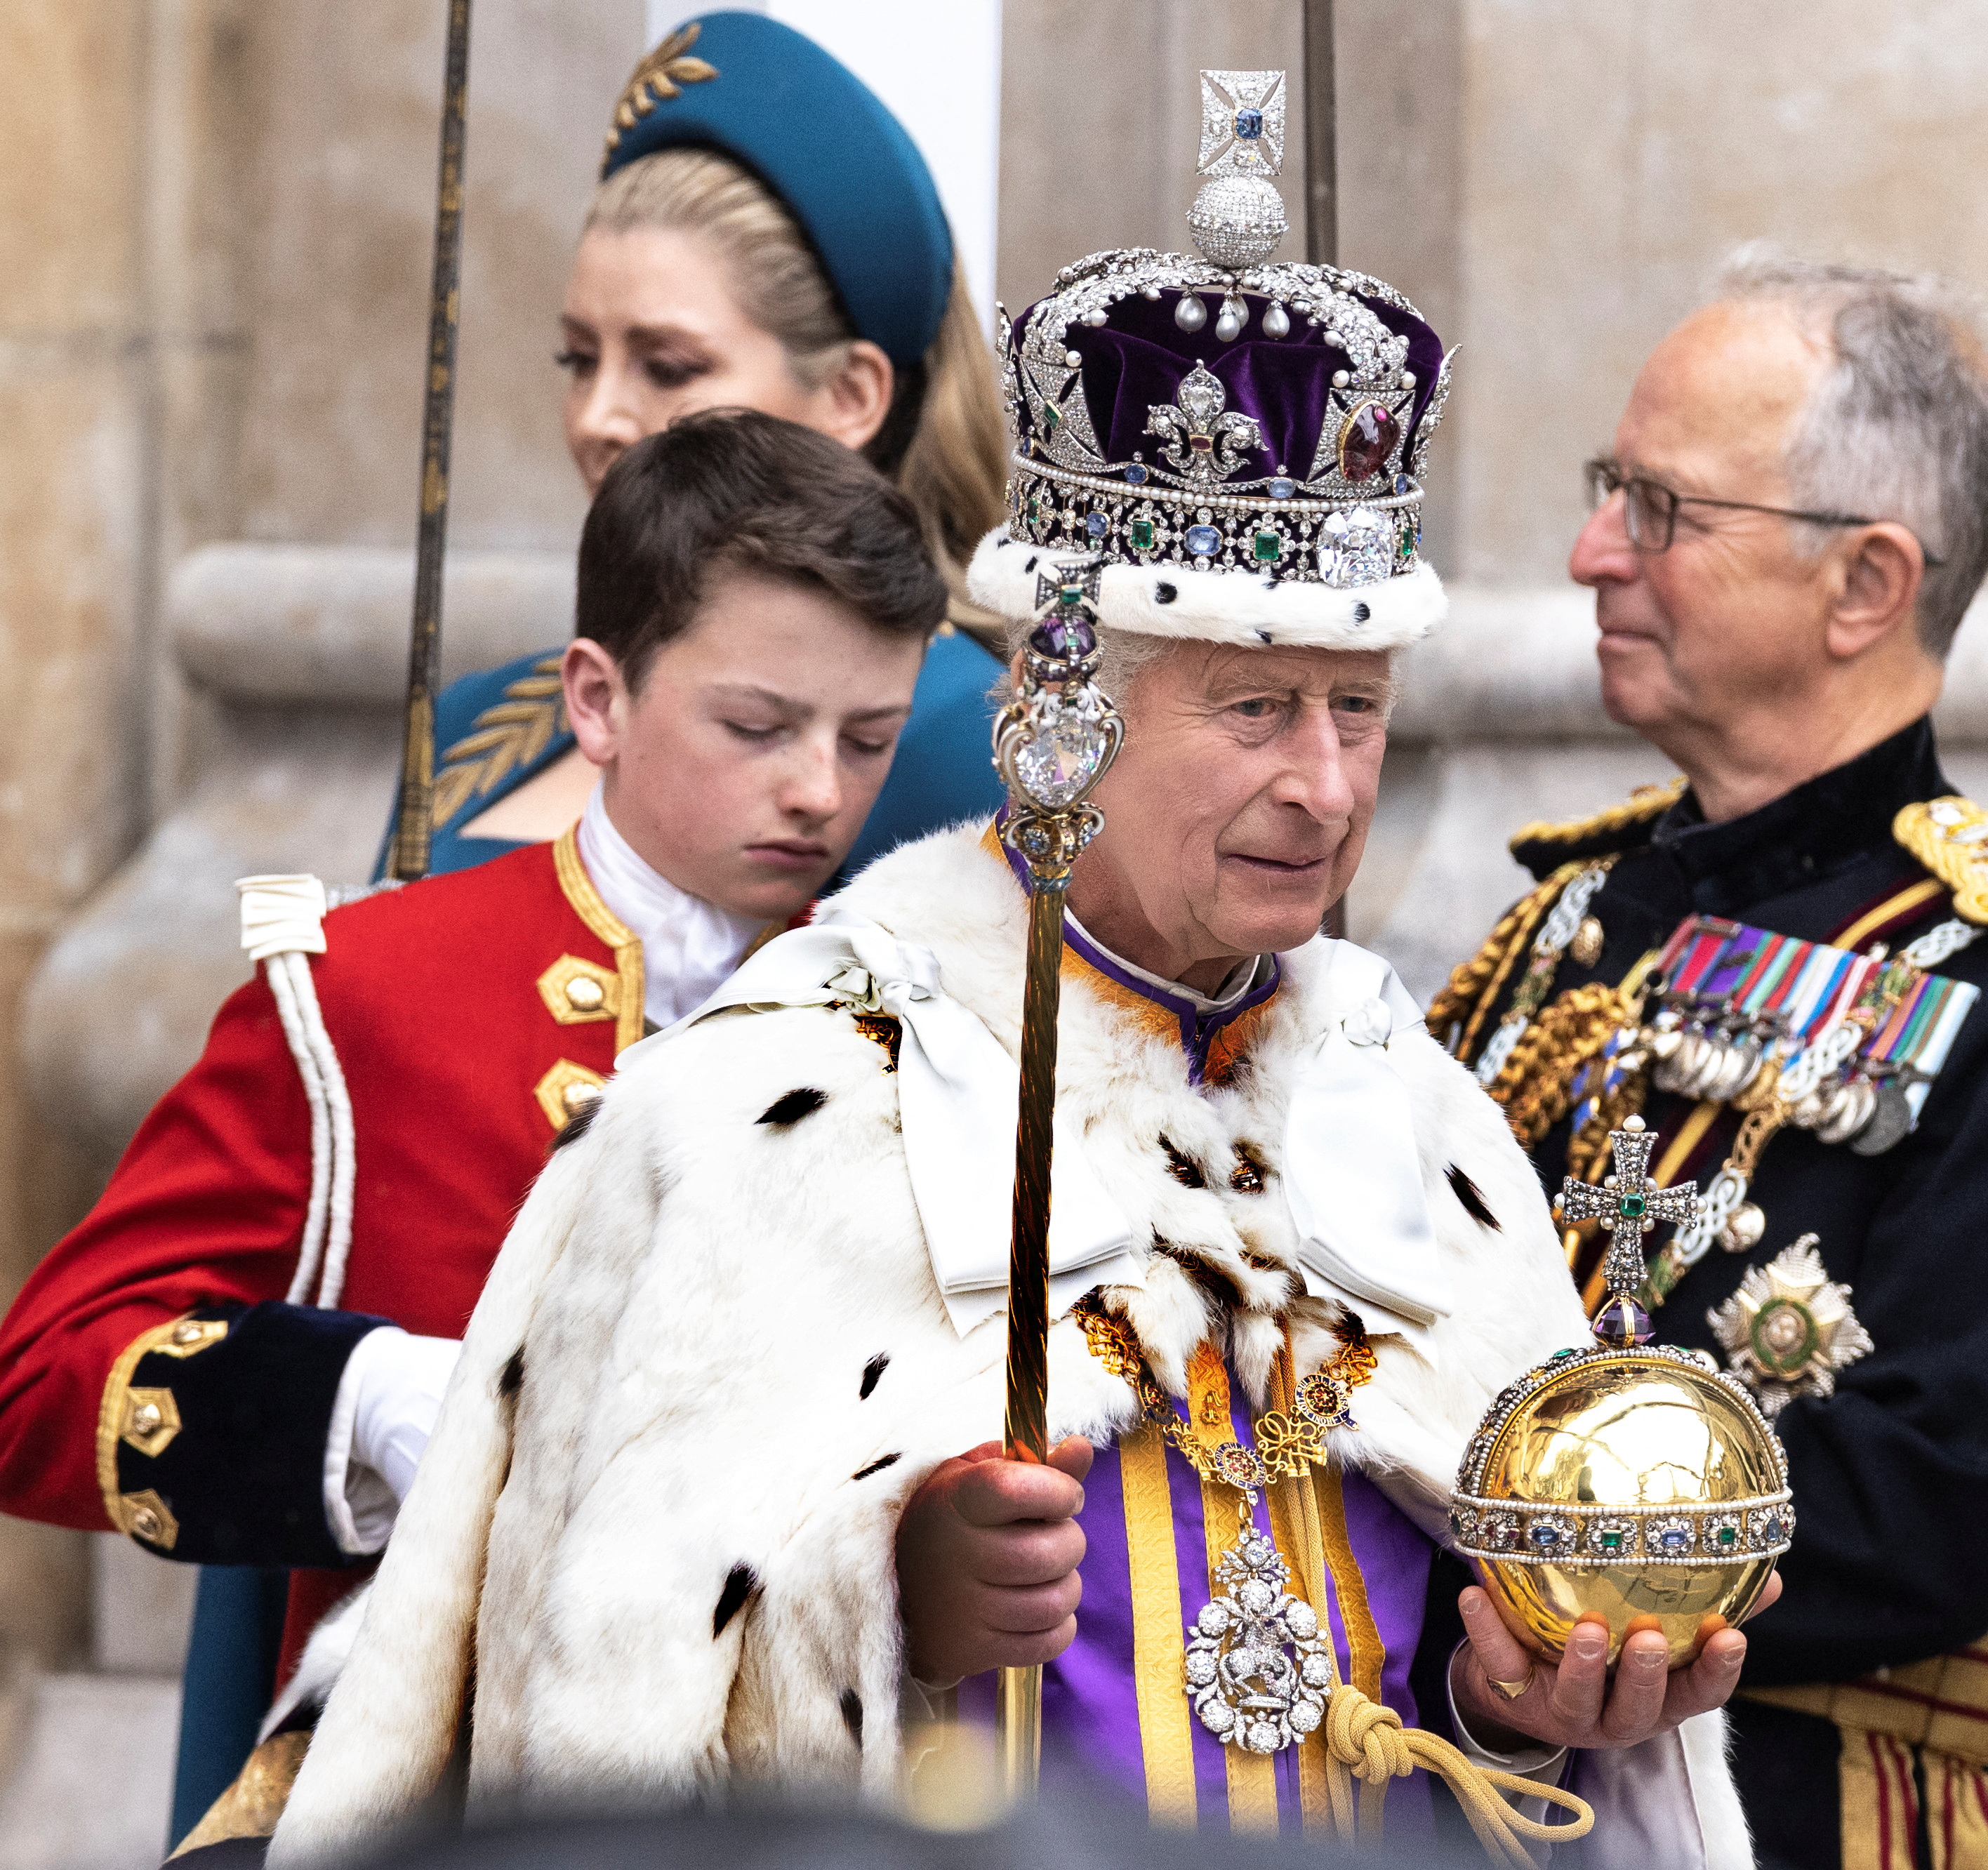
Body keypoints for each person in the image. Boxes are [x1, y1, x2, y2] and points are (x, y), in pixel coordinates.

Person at [270, 97, 1763, 1868]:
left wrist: (1525, 1687)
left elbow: (1463, 1690)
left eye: (1354, 709)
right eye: (1250, 708)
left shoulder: (1417, 1113)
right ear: (1057, 713)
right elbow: (600, 1715)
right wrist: (892, 1596)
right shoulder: (770, 1104)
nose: (1325, 784)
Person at [0, 411, 942, 1851]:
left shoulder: (908, 1029)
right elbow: (43, 1384)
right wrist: (357, 1390)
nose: (819, 788)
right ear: (597, 700)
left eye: (867, 738)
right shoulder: (364, 996)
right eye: (757, 727)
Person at [1426, 256, 1988, 1869]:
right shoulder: (1560, 923)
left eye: (1659, 510)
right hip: (1457, 1777)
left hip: (1792, 1816)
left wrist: (1500, 1558)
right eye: (1601, 492)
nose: (1588, 554)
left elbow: (1930, 1505)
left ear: (1862, 585)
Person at [397, 11, 1008, 881]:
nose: (598, 416)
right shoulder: (475, 723)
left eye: (670, 366)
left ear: (851, 396)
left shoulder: (979, 748)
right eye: (579, 359)